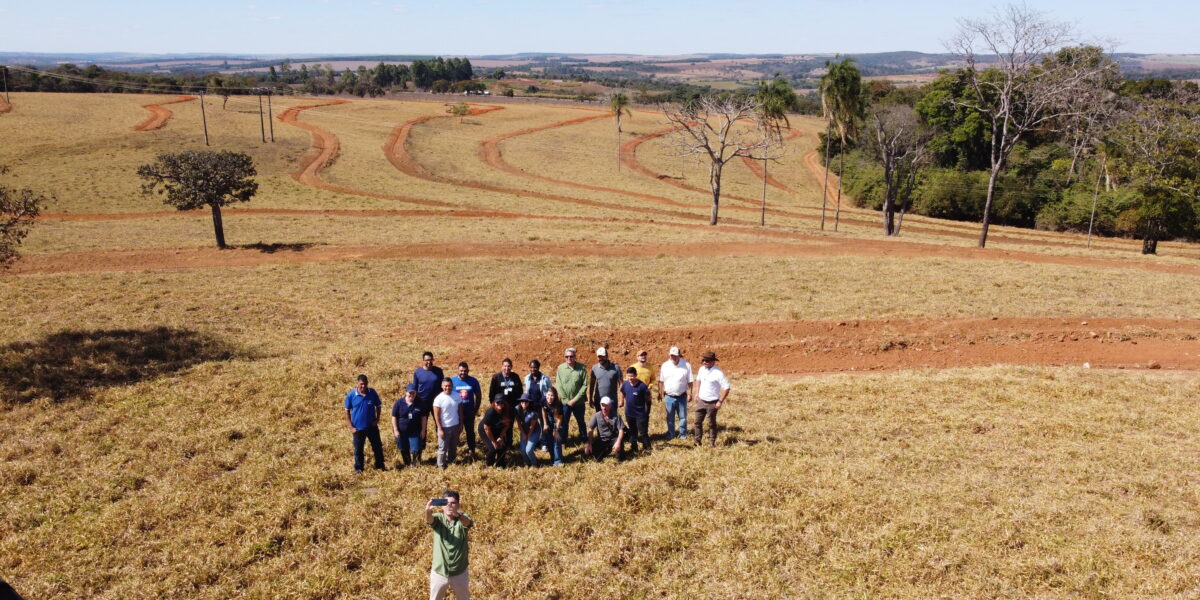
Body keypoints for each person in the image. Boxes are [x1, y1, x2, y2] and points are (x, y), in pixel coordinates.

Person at [426, 490, 474, 600]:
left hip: (459, 573)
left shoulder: (463, 518)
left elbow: (468, 523)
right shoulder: (438, 518)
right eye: (446, 503)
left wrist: (457, 514)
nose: (449, 506)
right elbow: (429, 520)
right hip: (439, 573)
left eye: (453, 503)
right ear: (442, 505)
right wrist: (427, 510)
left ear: (458, 505)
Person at [344, 374, 385, 473]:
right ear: (357, 383)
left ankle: (380, 466)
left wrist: (377, 420)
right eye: (361, 384)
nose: (363, 386)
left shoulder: (372, 393)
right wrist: (351, 427)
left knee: (377, 447)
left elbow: (378, 406)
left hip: (372, 426)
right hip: (358, 428)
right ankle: (359, 468)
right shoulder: (351, 396)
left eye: (365, 384)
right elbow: (347, 411)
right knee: (358, 450)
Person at [693, 351, 731, 448]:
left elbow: (727, 388)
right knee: (697, 422)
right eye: (703, 360)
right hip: (701, 400)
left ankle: (712, 443)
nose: (704, 362)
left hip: (712, 403)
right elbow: (698, 380)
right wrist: (697, 393)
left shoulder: (718, 373)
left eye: (707, 360)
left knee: (711, 423)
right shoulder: (702, 369)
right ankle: (697, 441)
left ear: (713, 361)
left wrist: (720, 401)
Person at [488, 358, 523, 462]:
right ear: (502, 366)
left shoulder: (515, 377)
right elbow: (491, 393)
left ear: (511, 367)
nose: (507, 368)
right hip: (500, 407)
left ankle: (509, 444)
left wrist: (517, 405)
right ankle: (499, 443)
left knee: (510, 425)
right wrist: (494, 406)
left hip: (511, 407)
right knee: (499, 425)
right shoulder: (496, 377)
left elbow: (520, 391)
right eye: (505, 366)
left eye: (509, 366)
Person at [659, 346, 694, 440]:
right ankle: (671, 434)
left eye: (675, 355)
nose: (673, 357)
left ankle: (683, 434)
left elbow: (690, 381)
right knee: (670, 417)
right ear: (669, 355)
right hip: (669, 396)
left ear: (679, 355)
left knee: (682, 417)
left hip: (682, 396)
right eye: (671, 355)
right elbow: (661, 381)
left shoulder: (686, 365)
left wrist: (690, 394)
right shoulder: (665, 365)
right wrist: (660, 393)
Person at [412, 352, 445, 452]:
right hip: (423, 402)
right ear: (423, 361)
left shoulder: (438, 371)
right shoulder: (418, 372)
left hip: (437, 402)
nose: (429, 362)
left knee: (438, 422)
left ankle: (441, 443)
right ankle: (422, 446)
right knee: (423, 424)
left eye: (430, 360)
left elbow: (443, 386)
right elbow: (415, 388)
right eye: (426, 360)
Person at [555, 347, 588, 445]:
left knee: (581, 422)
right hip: (565, 403)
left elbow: (585, 385)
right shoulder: (560, 368)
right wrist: (566, 400)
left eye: (571, 356)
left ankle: (584, 440)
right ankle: (564, 441)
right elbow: (559, 384)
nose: (569, 358)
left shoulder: (582, 368)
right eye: (567, 356)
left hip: (579, 402)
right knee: (564, 422)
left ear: (575, 357)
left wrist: (575, 399)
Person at [450, 362, 483, 458]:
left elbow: (479, 396)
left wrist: (475, 409)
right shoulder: (452, 381)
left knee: (470, 432)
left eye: (465, 371)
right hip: (456, 413)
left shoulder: (473, 381)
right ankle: (453, 451)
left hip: (469, 412)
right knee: (456, 432)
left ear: (468, 371)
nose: (463, 373)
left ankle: (472, 450)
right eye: (461, 371)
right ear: (457, 371)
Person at [432, 378, 464, 469]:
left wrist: (461, 424)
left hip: (455, 426)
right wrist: (440, 429)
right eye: (445, 386)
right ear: (442, 386)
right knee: (443, 448)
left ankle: (451, 462)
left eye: (449, 386)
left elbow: (460, 410)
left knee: (453, 447)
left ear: (452, 386)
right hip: (444, 427)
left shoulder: (457, 396)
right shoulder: (438, 399)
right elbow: (436, 416)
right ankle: (441, 465)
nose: (447, 387)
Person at [620, 366, 651, 455]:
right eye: (628, 376)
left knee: (643, 432)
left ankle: (648, 447)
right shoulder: (625, 384)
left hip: (640, 414)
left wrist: (646, 412)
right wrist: (622, 400)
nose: (630, 378)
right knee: (633, 432)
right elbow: (622, 391)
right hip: (629, 413)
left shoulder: (642, 386)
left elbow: (648, 399)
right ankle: (634, 448)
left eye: (632, 376)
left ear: (636, 375)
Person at [392, 384, 425, 467]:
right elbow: (394, 417)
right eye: (410, 393)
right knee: (403, 448)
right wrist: (395, 430)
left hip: (415, 430)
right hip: (402, 431)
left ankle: (415, 464)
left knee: (416, 448)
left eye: (413, 393)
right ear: (406, 393)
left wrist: (423, 430)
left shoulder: (420, 403)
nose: (412, 395)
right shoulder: (399, 403)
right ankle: (407, 463)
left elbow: (423, 417)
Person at [585, 396, 625, 462]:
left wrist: (618, 441)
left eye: (606, 405)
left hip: (613, 438)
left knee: (620, 456)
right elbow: (590, 429)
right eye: (602, 405)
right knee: (593, 456)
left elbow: (621, 430)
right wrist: (589, 444)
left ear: (610, 405)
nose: (604, 408)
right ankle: (605, 451)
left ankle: (618, 456)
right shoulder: (597, 415)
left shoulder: (616, 416)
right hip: (602, 439)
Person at [477, 395, 510, 467]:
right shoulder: (490, 412)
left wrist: (501, 437)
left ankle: (500, 463)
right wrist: (493, 441)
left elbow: (507, 425)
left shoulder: (506, 411)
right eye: (498, 402)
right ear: (494, 403)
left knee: (503, 446)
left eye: (502, 403)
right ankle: (489, 465)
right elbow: (486, 428)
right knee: (493, 448)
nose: (500, 404)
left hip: (497, 428)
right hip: (485, 430)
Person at [587, 347, 622, 413]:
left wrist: (621, 399)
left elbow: (621, 384)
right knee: (601, 421)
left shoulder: (616, 368)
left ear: (607, 356)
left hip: (612, 400)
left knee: (612, 420)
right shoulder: (594, 368)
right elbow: (592, 384)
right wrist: (590, 398)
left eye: (603, 356)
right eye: (599, 357)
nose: (601, 359)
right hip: (599, 400)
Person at [541, 386, 566, 466]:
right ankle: (553, 459)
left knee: (556, 441)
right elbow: (543, 411)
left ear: (555, 396)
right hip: (548, 422)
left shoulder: (558, 404)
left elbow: (559, 419)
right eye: (548, 395)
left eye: (552, 395)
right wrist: (545, 424)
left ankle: (558, 461)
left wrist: (556, 431)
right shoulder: (543, 400)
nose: (549, 397)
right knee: (550, 442)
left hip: (557, 422)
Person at [516, 393, 542, 467]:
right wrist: (523, 434)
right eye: (522, 401)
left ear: (529, 402)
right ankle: (527, 463)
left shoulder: (533, 412)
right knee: (523, 450)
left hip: (534, 432)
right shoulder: (517, 409)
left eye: (526, 401)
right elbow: (519, 423)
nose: (524, 403)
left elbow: (532, 426)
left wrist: (528, 436)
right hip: (523, 431)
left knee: (529, 450)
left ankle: (535, 463)